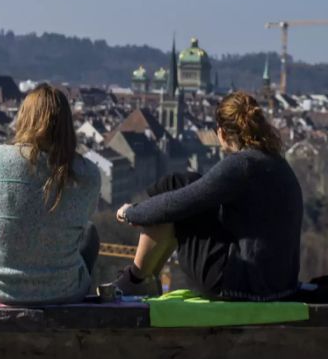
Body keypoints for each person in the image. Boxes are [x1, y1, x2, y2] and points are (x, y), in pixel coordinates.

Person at [111, 91, 303, 300]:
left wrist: (131, 212)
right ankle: (143, 279)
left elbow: (176, 204)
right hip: (280, 284)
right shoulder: (276, 162)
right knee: (182, 183)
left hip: (240, 284)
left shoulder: (241, 165)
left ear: (221, 133)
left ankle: (136, 280)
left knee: (173, 189)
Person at [0, 84, 101, 305]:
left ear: (24, 118)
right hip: (66, 292)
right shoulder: (88, 173)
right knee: (90, 232)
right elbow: (84, 221)